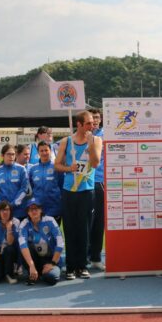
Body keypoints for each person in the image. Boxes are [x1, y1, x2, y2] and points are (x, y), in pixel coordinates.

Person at [55, 110, 101, 280]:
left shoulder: (96, 140)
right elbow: (57, 165)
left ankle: (82, 265)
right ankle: (70, 266)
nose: (92, 125)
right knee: (70, 229)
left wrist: (90, 143)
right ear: (79, 124)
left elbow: (95, 163)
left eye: (93, 122)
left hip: (87, 191)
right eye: (88, 123)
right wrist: (69, 168)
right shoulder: (66, 142)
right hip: (69, 191)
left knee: (84, 229)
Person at [18, 197, 64, 286]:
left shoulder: (50, 220)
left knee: (51, 278)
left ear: (41, 210)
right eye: (31, 209)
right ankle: (33, 271)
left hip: (50, 259)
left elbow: (60, 243)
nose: (34, 211)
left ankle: (42, 273)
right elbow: (22, 244)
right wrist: (31, 265)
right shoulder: (24, 223)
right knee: (24, 248)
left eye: (36, 208)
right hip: (35, 259)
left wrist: (52, 263)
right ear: (28, 212)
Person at [0, 144, 29, 220]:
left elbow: (24, 188)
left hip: (19, 211)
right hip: (3, 212)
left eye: (13, 154)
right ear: (2, 155)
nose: (11, 157)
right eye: (8, 154)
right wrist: (1, 205)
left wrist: (13, 204)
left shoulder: (22, 169)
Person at [28, 141, 63, 225]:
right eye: (41, 151)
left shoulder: (57, 166)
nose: (44, 153)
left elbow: (62, 186)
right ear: (38, 152)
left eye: (46, 150)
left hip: (54, 208)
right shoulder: (33, 169)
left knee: (54, 234)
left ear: (50, 151)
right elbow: (32, 187)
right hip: (38, 208)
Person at [88, 107, 106, 271]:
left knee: (99, 222)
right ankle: (84, 255)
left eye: (97, 117)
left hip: (99, 182)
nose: (95, 120)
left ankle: (95, 256)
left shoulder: (106, 134)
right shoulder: (80, 136)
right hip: (83, 183)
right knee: (86, 222)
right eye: (92, 117)